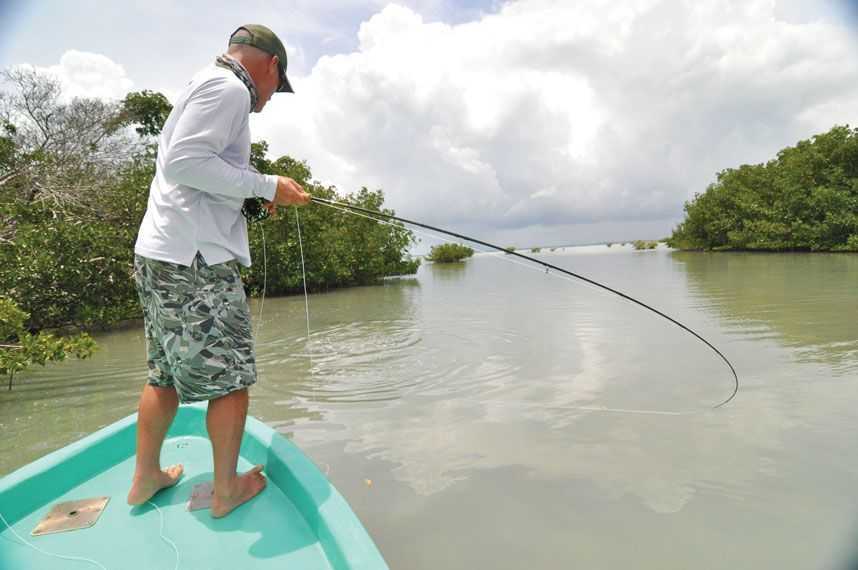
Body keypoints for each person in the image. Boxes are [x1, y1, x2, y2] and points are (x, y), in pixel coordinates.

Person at [127, 24, 310, 518]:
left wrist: (252, 193)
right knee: (230, 379)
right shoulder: (230, 88)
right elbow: (188, 163)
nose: (269, 99)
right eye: (277, 86)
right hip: (195, 261)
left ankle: (145, 476)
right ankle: (226, 491)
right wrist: (269, 184)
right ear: (270, 66)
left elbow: (191, 171)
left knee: (163, 373)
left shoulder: (201, 82)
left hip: (162, 252)